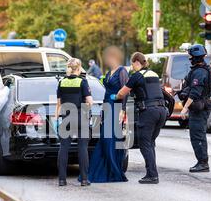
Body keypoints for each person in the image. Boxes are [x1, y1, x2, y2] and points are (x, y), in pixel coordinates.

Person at [111, 52, 167, 184]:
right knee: (150, 143)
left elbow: (122, 93)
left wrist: (114, 97)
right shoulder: (153, 74)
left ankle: (152, 175)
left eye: (132, 64)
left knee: (144, 143)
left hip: (149, 112)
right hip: (161, 111)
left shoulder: (137, 76)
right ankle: (152, 173)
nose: (132, 67)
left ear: (137, 62)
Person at [88, 46, 128, 183]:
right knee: (105, 138)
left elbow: (125, 91)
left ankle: (114, 169)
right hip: (106, 106)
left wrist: (123, 110)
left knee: (111, 139)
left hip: (116, 107)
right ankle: (104, 167)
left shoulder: (122, 71)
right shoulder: (109, 71)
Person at [55, 58, 94, 187]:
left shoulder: (62, 82)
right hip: (80, 116)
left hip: (66, 117)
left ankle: (62, 179)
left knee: (64, 148)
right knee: (82, 147)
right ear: (79, 68)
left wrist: (56, 119)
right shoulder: (82, 82)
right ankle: (84, 179)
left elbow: (59, 103)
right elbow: (89, 102)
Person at [179, 44, 211, 173]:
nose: (189, 58)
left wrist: (184, 108)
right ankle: (202, 162)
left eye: (190, 56)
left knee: (197, 136)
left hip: (199, 108)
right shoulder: (199, 70)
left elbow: (195, 92)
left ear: (194, 57)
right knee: (197, 135)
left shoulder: (200, 72)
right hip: (199, 107)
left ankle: (203, 163)